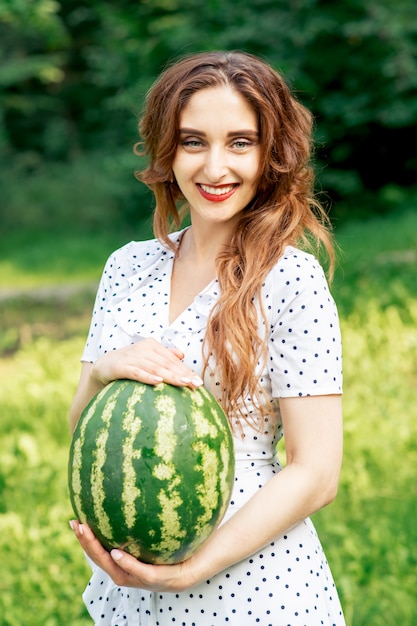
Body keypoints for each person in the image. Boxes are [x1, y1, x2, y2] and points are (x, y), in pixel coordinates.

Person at [69, 50, 345, 626]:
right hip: (130, 589)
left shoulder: (292, 279)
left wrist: (192, 568)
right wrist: (104, 369)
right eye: (194, 141)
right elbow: (83, 429)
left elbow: (316, 471)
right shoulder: (127, 266)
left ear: (271, 154)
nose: (215, 167)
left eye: (240, 142)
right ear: (167, 151)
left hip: (251, 584)